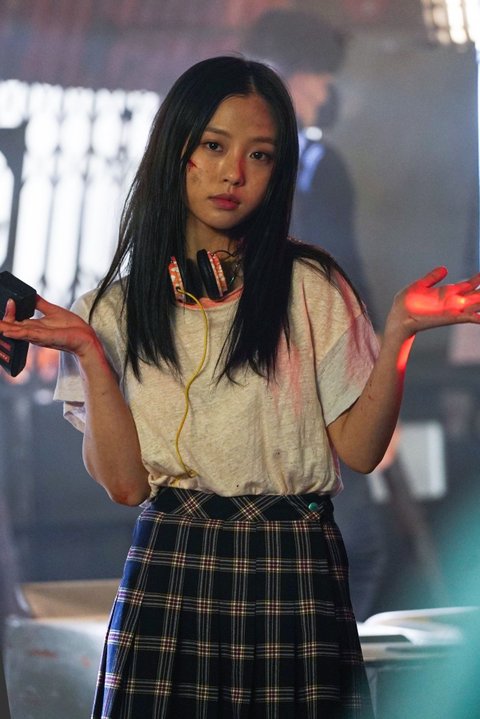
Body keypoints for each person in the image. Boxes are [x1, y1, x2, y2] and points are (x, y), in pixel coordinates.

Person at [0, 56, 479, 719]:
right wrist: (89, 353)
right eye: (214, 146)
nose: (235, 173)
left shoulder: (312, 287)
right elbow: (127, 487)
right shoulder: (109, 311)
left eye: (260, 154)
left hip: (296, 564)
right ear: (177, 151)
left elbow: (361, 452)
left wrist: (398, 332)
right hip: (172, 563)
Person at [244, 10, 385, 619]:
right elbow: (346, 285)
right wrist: (375, 391)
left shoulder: (236, 172)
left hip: (262, 386)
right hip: (319, 386)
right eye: (319, 77)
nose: (325, 91)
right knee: (358, 545)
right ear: (291, 76)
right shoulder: (316, 166)